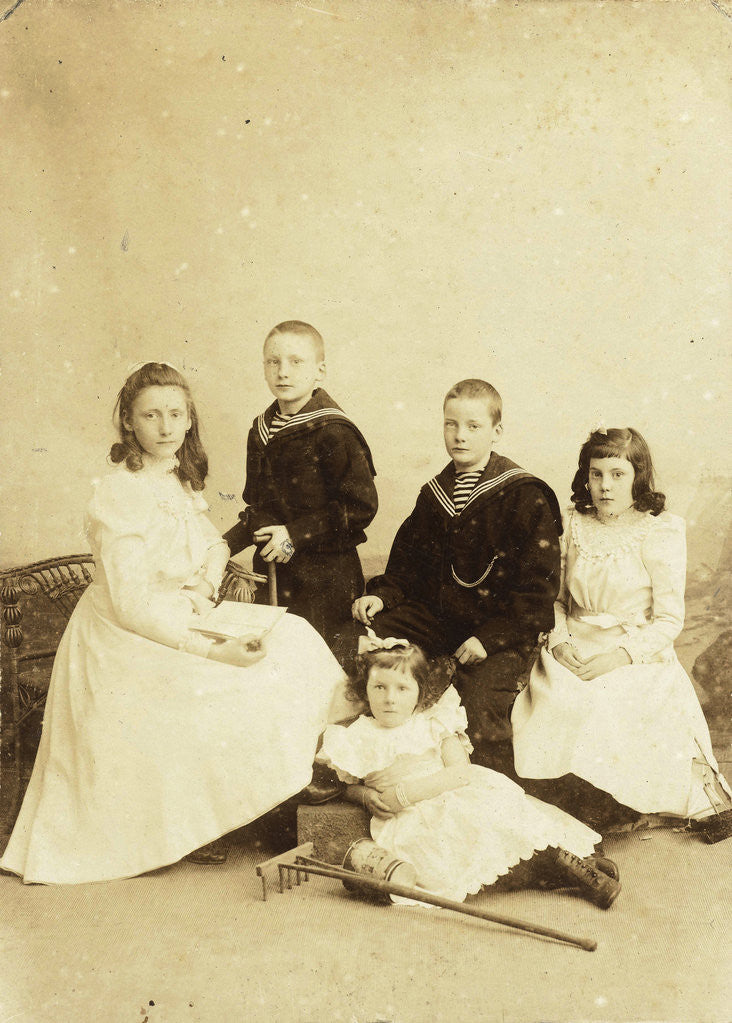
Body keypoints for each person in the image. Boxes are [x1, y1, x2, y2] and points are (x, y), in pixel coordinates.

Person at [0, 363, 347, 885]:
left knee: (293, 638)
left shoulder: (173, 480)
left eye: (176, 414)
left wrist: (204, 590)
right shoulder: (120, 493)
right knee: (231, 676)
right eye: (151, 415)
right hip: (124, 639)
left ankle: (322, 776)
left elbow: (212, 544)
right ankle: (213, 815)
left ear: (189, 421)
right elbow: (130, 606)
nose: (165, 426)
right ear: (129, 423)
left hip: (181, 611)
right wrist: (208, 648)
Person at [511, 427, 732, 841]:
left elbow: (668, 620)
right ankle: (585, 804)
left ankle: (626, 804)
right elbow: (557, 601)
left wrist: (621, 656)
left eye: (617, 475)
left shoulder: (659, 531)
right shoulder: (575, 524)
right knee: (557, 704)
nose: (605, 486)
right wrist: (559, 642)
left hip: (634, 648)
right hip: (574, 641)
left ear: (638, 477)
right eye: (596, 474)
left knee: (616, 704)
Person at [339, 378, 563, 776]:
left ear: (496, 431)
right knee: (364, 645)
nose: (459, 436)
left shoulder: (525, 496)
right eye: (450, 424)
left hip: (501, 628)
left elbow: (537, 595)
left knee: (478, 702)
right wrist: (384, 597)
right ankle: (365, 766)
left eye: (473, 427)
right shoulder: (435, 495)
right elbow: (406, 567)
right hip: (439, 620)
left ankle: (487, 792)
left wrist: (489, 638)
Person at [317, 637, 621, 908]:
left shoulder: (433, 721)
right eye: (379, 687)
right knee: (439, 860)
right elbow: (346, 785)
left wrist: (403, 793)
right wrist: (367, 796)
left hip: (453, 794)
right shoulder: (353, 735)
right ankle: (558, 868)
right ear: (365, 689)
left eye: (402, 688)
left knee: (496, 820)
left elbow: (460, 773)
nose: (390, 698)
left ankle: (565, 862)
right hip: (410, 819)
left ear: (420, 691)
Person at [223, 321, 378, 645]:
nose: (283, 372)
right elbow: (259, 507)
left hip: (326, 578)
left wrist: (294, 535)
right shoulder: (260, 431)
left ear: (319, 372)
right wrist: (219, 547)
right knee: (272, 656)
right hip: (275, 572)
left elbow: (360, 508)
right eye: (273, 361)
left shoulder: (334, 430)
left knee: (317, 662)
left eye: (296, 362)